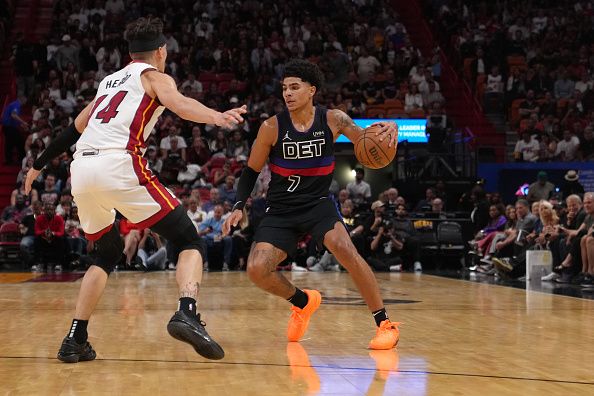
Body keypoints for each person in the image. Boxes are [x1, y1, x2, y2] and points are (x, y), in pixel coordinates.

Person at [24, 17, 246, 363]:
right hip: (119, 164)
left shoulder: (107, 84)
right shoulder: (154, 76)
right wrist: (218, 116)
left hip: (81, 170)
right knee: (189, 239)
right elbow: (180, 103)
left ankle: (75, 338)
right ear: (161, 51)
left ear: (130, 53)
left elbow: (73, 130)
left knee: (105, 252)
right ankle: (187, 311)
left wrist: (38, 164)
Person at [223, 59, 400, 350]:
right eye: (284, 88)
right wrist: (238, 205)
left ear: (311, 90)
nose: (288, 94)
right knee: (256, 269)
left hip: (318, 204)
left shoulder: (334, 120)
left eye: (295, 87)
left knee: (345, 248)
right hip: (280, 209)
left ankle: (385, 324)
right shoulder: (271, 127)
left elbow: (366, 140)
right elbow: (251, 171)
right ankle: (302, 302)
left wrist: (388, 128)